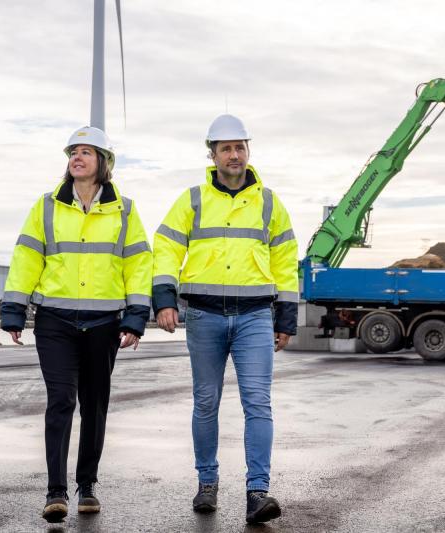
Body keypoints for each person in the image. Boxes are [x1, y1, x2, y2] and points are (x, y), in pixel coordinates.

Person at [0, 126, 152, 523]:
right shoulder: (47, 206)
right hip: (54, 321)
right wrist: (14, 308)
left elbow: (139, 264)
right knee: (62, 399)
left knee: (95, 405)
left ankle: (87, 485)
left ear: (104, 162)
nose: (77, 158)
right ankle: (56, 492)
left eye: (86, 151)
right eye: (73, 152)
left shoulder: (125, 210)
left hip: (104, 323)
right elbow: (26, 257)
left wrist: (136, 315)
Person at [152, 114, 299, 524]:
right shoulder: (192, 200)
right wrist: (164, 299)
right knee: (206, 402)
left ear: (248, 151)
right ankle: (207, 484)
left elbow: (286, 261)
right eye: (226, 148)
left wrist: (286, 317)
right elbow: (165, 248)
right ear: (212, 155)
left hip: (255, 316)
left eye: (240, 147)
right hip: (204, 315)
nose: (234, 155)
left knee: (258, 403)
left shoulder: (269, 202)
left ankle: (258, 493)